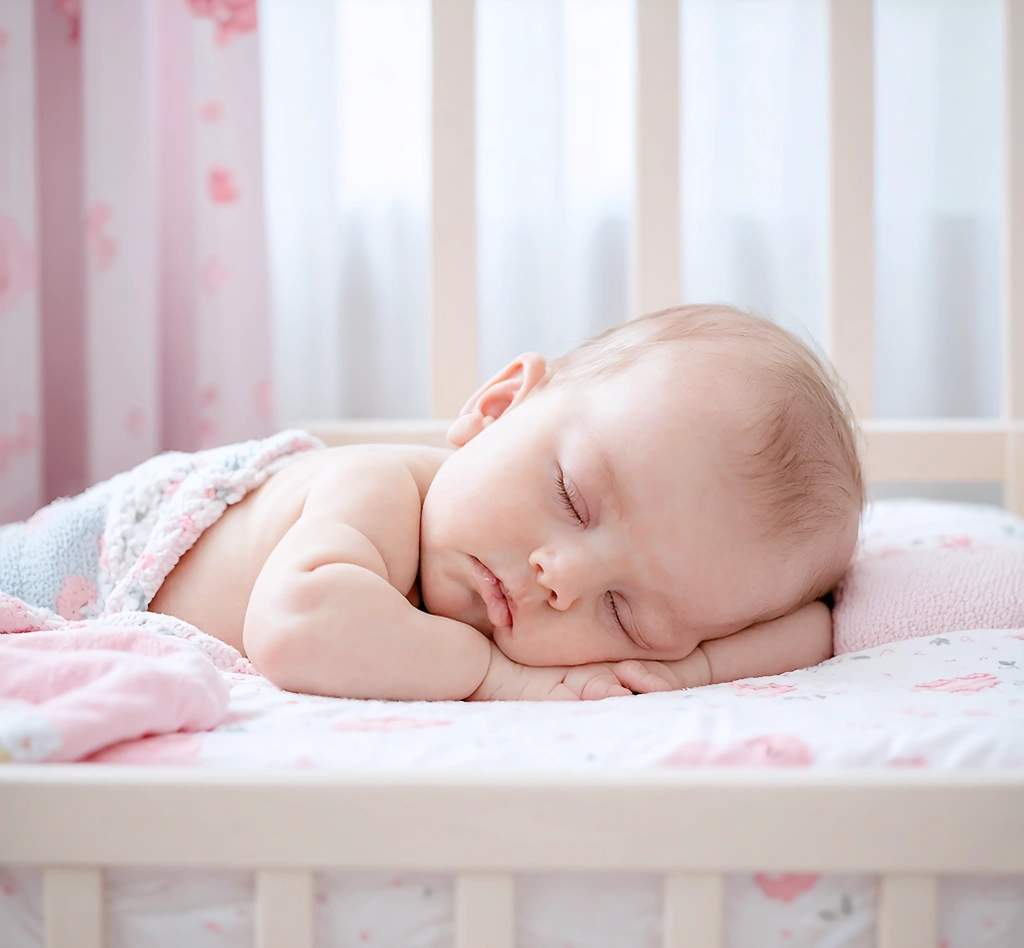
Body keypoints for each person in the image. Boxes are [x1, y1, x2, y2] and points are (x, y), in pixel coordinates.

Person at [3, 305, 864, 701]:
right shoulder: (375, 487)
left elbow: (816, 625)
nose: (559, 577)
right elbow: (299, 628)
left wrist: (687, 668)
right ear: (496, 407)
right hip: (48, 579)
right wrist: (492, 679)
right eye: (571, 496)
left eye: (624, 612)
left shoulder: (622, 618)